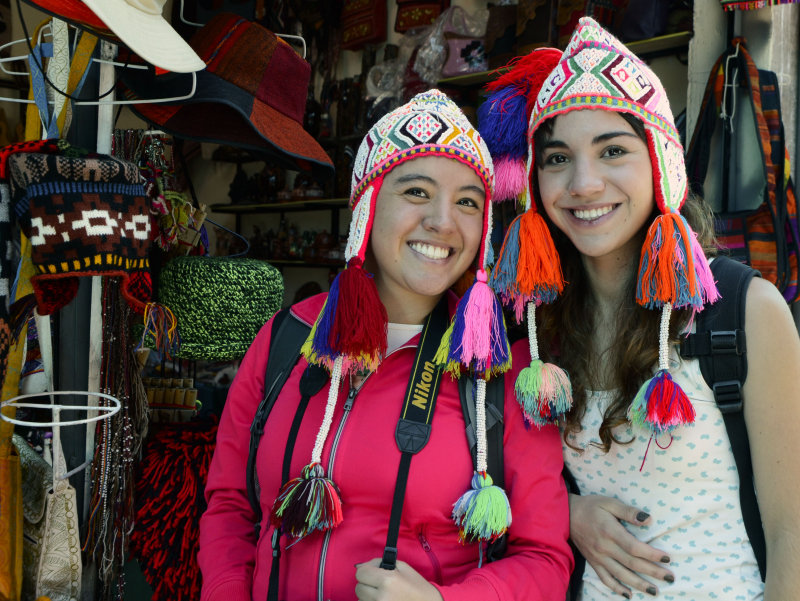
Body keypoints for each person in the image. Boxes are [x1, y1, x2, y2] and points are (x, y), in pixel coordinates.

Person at [198, 89, 573, 601]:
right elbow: (231, 506)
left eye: (467, 201)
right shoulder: (286, 338)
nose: (443, 221)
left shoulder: (504, 370)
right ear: (367, 209)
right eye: (416, 192)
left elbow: (545, 559)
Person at [478, 17, 800, 601]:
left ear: (661, 165)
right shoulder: (530, 324)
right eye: (556, 159)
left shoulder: (744, 311)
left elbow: (793, 535)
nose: (584, 182)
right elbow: (481, 478)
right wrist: (565, 511)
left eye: (613, 150)